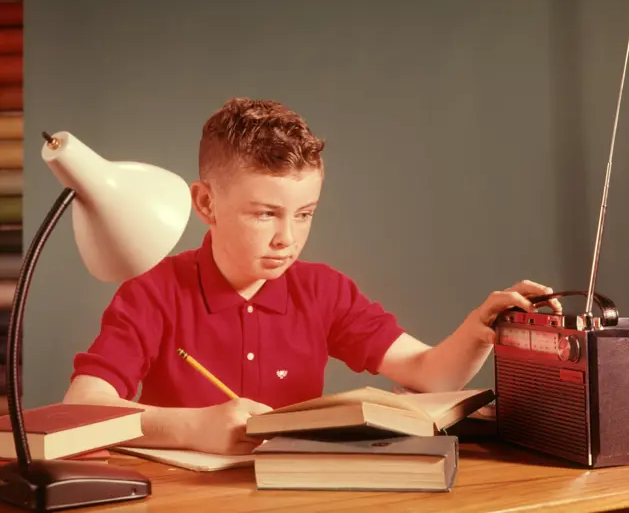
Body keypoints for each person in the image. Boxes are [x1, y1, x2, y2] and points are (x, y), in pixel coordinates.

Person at [63, 97, 561, 455]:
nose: (288, 238)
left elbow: (430, 372)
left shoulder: (323, 290)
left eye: (304, 214)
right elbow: (83, 407)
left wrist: (479, 330)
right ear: (207, 203)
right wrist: (193, 426)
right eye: (264, 214)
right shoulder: (152, 292)